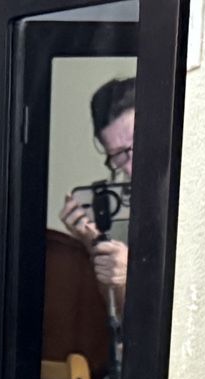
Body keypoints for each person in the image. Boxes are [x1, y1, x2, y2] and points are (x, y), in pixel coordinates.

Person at [59, 76, 134, 315]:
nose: (131, 166)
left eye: (137, 142)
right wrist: (94, 243)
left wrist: (135, 270)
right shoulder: (121, 204)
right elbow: (123, 316)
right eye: (119, 155)